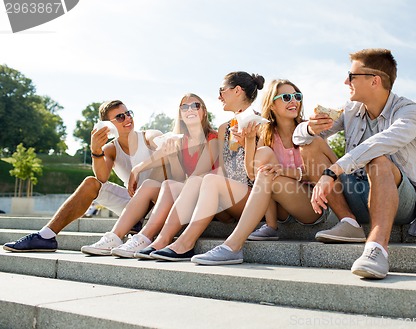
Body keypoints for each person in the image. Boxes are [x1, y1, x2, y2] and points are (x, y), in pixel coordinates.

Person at [292, 48, 416, 279]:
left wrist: (332, 171)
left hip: (400, 202)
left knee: (378, 160)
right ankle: (349, 222)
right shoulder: (350, 110)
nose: (346, 81)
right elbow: (299, 138)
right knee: (310, 145)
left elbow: (379, 144)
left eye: (352, 76)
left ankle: (376, 249)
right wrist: (309, 128)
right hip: (356, 194)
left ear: (374, 80)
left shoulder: (410, 111)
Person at [191, 79, 334, 265]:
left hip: (311, 204)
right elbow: (252, 173)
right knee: (265, 157)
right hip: (281, 206)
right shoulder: (268, 133)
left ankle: (232, 246)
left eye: (297, 96)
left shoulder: (309, 130)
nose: (294, 101)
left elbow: (332, 168)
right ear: (272, 105)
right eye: (286, 97)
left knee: (268, 171)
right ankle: (268, 227)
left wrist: (288, 172)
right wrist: (249, 140)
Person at [134, 71, 266, 261]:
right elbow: (221, 168)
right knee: (199, 179)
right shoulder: (224, 128)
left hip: (252, 197)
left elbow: (257, 171)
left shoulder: (260, 123)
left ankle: (185, 244)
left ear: (237, 91)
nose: (219, 96)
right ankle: (162, 240)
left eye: (222, 90)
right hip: (225, 198)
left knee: (208, 179)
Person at [3, 100, 164, 252]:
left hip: (160, 201)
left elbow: (164, 150)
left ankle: (136, 224)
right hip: (133, 205)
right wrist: (96, 150)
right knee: (91, 183)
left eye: (128, 113)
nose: (127, 118)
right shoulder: (110, 149)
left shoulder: (148, 136)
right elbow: (101, 178)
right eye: (120, 116)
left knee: (149, 183)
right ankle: (46, 236)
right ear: (108, 126)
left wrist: (138, 168)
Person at [80, 93, 219, 257]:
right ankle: (116, 237)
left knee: (172, 184)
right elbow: (178, 176)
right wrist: (164, 159)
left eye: (195, 106)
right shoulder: (182, 140)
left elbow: (196, 178)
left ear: (204, 111)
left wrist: (139, 167)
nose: (190, 110)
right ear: (180, 113)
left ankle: (145, 237)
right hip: (188, 194)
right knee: (150, 185)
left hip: (208, 199)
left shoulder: (213, 138)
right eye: (184, 107)